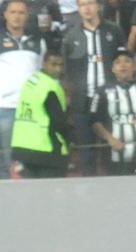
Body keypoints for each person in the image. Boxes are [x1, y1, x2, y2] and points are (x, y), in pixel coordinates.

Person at [0, 0, 45, 178]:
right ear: (5, 15)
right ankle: (2, 199)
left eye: (21, 12)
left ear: (27, 16)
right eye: (13, 12)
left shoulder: (38, 42)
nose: (17, 16)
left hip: (31, 110)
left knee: (28, 157)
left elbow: (40, 75)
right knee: (5, 158)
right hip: (4, 108)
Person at [62, 0, 125, 174]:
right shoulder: (71, 36)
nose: (86, 8)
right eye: (82, 5)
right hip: (83, 101)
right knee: (86, 154)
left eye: (90, 3)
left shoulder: (114, 31)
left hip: (110, 100)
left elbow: (124, 61)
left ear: (98, 6)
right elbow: (65, 70)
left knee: (112, 153)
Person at [12, 51, 72, 177]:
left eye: (61, 65)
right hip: (46, 149)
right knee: (52, 194)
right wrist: (69, 141)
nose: (58, 69)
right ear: (44, 64)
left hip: (23, 146)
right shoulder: (51, 87)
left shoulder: (31, 81)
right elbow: (58, 121)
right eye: (53, 64)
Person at [90, 48, 136, 174]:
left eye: (127, 61)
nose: (122, 65)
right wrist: (110, 139)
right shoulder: (102, 91)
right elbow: (94, 120)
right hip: (114, 155)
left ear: (134, 66)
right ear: (112, 69)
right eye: (117, 62)